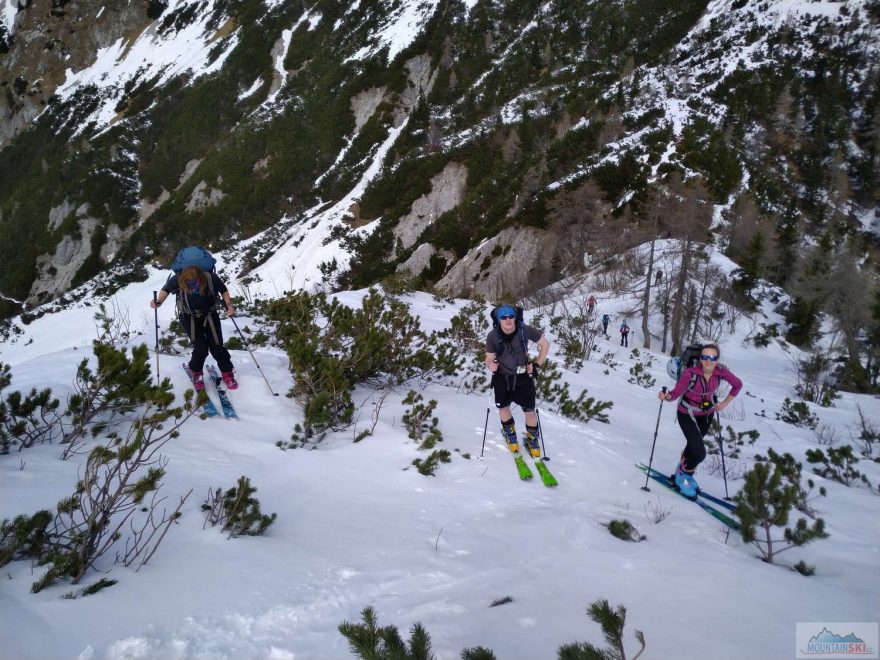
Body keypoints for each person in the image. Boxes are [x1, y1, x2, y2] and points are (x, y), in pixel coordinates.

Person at [657, 343, 742, 497]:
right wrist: (666, 396)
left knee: (692, 446)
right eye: (705, 357)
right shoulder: (690, 373)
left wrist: (723, 404)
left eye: (712, 357)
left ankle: (683, 474)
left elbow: (738, 385)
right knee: (699, 453)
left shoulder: (721, 372)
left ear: (717, 359)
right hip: (686, 413)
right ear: (700, 358)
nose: (708, 361)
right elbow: (675, 393)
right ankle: (683, 476)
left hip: (707, 414)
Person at [150, 266, 238, 390]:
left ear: (200, 278)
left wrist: (229, 305)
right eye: (189, 283)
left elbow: (223, 290)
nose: (193, 285)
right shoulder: (178, 278)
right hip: (188, 316)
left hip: (209, 314)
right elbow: (166, 289)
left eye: (195, 282)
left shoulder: (210, 278)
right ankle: (196, 372)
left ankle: (227, 373)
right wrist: (159, 301)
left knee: (217, 346)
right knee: (201, 348)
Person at [485, 304, 550, 458]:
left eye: (510, 316)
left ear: (515, 317)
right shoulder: (493, 336)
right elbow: (489, 357)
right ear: (498, 319)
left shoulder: (524, 330)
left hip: (523, 377)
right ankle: (512, 438)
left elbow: (545, 345)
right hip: (502, 377)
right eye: (503, 317)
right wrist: (490, 365)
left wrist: (536, 365)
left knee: (530, 412)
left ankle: (533, 443)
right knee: (503, 408)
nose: (508, 320)